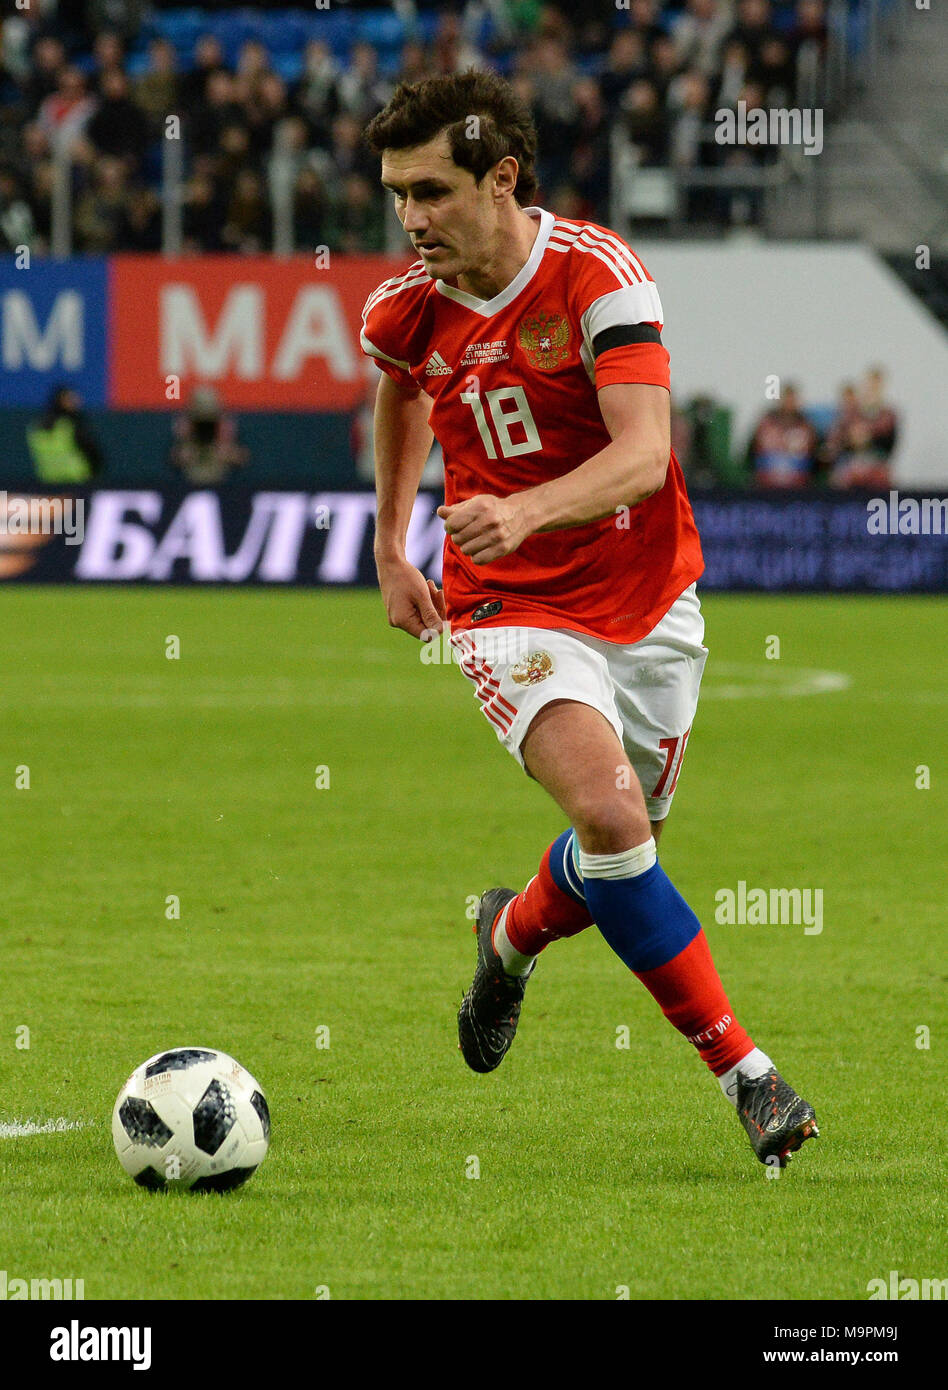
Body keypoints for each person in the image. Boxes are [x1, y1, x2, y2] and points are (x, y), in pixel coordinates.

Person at [361, 70, 818, 1168]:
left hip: (648, 596)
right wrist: (389, 540)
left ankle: (510, 936)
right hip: (509, 607)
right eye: (396, 195)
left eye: (432, 190)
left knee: (627, 849)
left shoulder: (597, 276)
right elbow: (404, 389)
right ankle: (749, 1076)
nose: (412, 217)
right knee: (614, 824)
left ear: (501, 177)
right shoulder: (403, 310)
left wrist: (525, 508)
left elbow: (643, 453)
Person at [168, 387, 247, 486]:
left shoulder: (228, 441)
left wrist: (227, 450)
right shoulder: (183, 442)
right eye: (200, 423)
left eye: (210, 423)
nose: (205, 429)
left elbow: (242, 459)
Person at [749, 383, 820, 488]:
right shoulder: (766, 424)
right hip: (766, 486)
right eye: (786, 399)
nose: (789, 403)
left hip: (799, 488)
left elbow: (815, 457)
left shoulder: (807, 426)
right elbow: (752, 453)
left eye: (792, 399)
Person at [27, 385, 103, 483]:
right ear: (60, 401)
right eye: (70, 399)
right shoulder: (71, 425)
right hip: (77, 482)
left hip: (48, 483)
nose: (76, 402)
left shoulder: (36, 427)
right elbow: (91, 451)